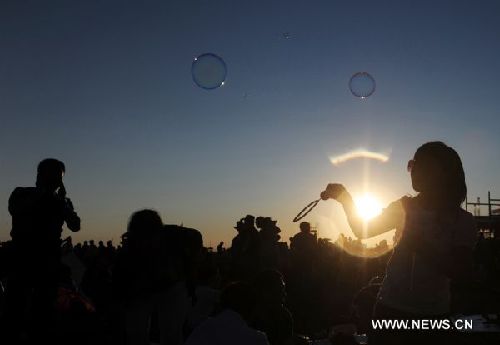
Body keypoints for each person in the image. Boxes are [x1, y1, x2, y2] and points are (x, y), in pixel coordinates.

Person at [321, 141, 477, 344]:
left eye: (421, 165)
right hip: (389, 309)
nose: (413, 169)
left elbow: (460, 271)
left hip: (433, 318)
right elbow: (362, 230)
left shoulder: (463, 221)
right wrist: (345, 199)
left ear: (441, 173)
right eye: (413, 163)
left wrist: (419, 245)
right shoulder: (404, 206)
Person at [3, 158, 81, 342]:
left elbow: (75, 225)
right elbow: (15, 208)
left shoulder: (61, 201)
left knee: (43, 310)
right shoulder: (22, 193)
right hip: (22, 257)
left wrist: (61, 201)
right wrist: (44, 194)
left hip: (48, 261)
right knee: (15, 307)